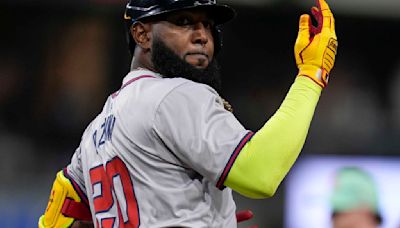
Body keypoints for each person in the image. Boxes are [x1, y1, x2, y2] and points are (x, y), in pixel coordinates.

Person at [38, 0, 338, 227]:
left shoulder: (98, 127)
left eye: (207, 24)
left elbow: (62, 207)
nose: (202, 36)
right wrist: (312, 75)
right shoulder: (174, 94)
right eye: (183, 21)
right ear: (141, 34)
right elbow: (260, 174)